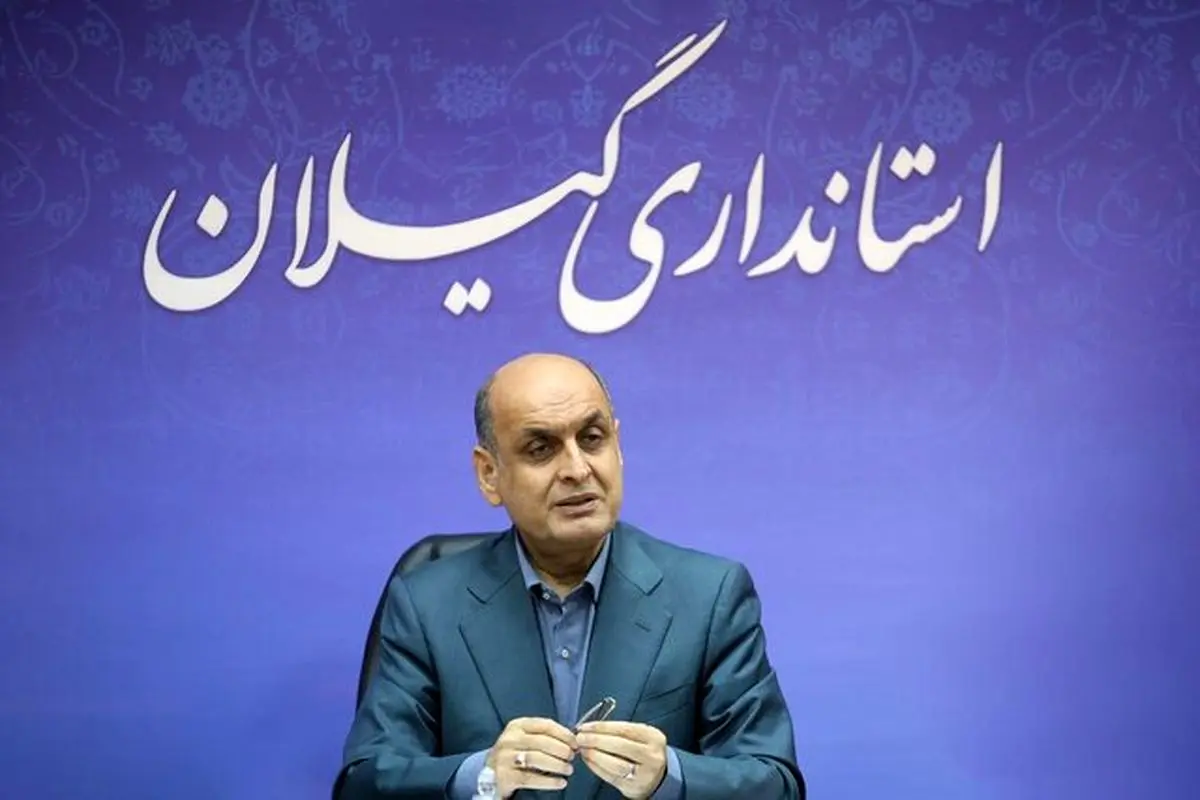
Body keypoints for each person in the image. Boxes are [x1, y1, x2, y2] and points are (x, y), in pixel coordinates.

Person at [335, 353, 804, 799]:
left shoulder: (709, 596)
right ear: (489, 474)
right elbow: (365, 783)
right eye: (541, 449)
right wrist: (482, 776)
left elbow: (774, 784)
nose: (578, 469)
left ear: (618, 446)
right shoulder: (426, 604)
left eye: (593, 438)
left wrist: (669, 776)